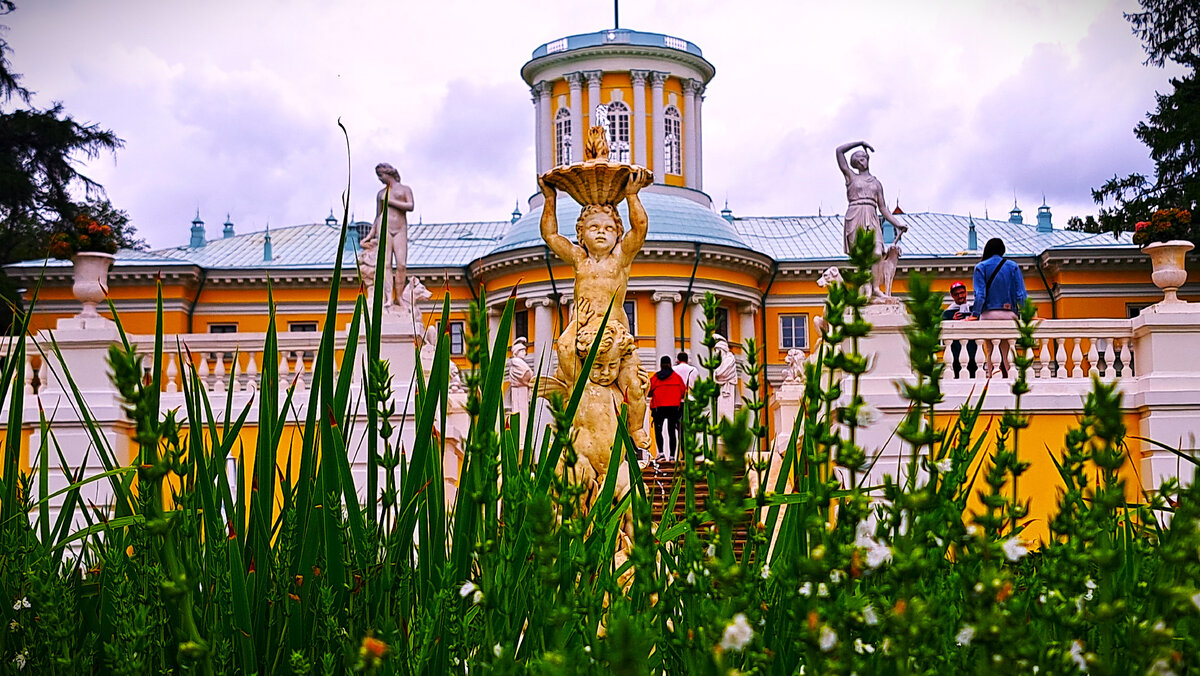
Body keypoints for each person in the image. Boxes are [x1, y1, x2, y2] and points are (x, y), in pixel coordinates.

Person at [539, 166, 653, 448]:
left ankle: (636, 427)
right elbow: (551, 236)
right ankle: (581, 398)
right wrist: (549, 199)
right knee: (564, 348)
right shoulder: (579, 259)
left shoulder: (621, 258)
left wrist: (631, 196)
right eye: (594, 228)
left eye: (608, 228)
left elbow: (640, 229)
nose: (601, 233)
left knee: (636, 386)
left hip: (615, 334)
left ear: (617, 233)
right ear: (581, 233)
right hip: (583, 329)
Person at [835, 141, 909, 300]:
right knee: (861, 256)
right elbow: (839, 152)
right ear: (855, 164)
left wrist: (897, 223)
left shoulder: (876, 183)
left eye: (863, 158)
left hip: (872, 215)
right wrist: (859, 143)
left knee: (877, 253)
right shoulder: (851, 177)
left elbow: (883, 208)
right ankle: (865, 289)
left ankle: (875, 288)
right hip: (855, 215)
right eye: (858, 160)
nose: (861, 161)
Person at [964, 238, 1028, 376]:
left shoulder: (981, 267)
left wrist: (975, 314)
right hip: (1009, 315)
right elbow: (1021, 294)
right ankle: (1011, 377)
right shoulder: (1013, 266)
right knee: (1008, 350)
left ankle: (992, 376)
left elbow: (980, 295)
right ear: (1002, 250)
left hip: (988, 315)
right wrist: (1027, 312)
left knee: (990, 349)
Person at [359, 163, 414, 309]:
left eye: (381, 175)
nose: (380, 179)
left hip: (400, 229)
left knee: (401, 264)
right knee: (386, 265)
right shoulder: (381, 194)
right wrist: (369, 236)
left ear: (388, 174)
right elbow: (378, 216)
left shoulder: (404, 189)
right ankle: (389, 298)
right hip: (384, 229)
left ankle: (400, 297)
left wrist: (390, 202)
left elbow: (410, 206)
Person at [648, 356, 686, 462]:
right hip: (673, 408)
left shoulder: (655, 378)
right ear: (670, 364)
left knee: (658, 430)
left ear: (660, 364)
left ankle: (661, 453)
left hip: (659, 408)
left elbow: (649, 391)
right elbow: (683, 391)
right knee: (671, 432)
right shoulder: (677, 377)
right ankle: (672, 456)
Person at [943, 281, 978, 378]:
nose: (960, 296)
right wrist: (952, 320)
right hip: (955, 355)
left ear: (966, 292)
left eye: (962, 293)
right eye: (956, 294)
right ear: (952, 296)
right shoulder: (948, 313)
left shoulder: (974, 309)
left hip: (974, 353)